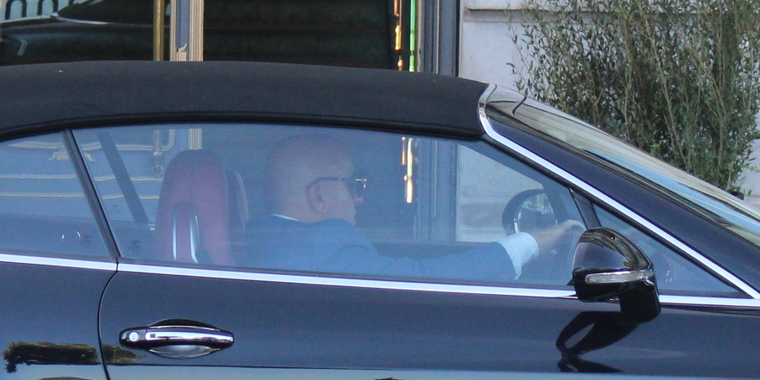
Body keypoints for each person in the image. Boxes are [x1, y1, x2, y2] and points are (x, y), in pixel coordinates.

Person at [245, 132, 580, 282]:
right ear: (319, 196)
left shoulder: (261, 236)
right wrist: (531, 243)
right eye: (353, 186)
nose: (360, 198)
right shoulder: (326, 246)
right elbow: (429, 281)